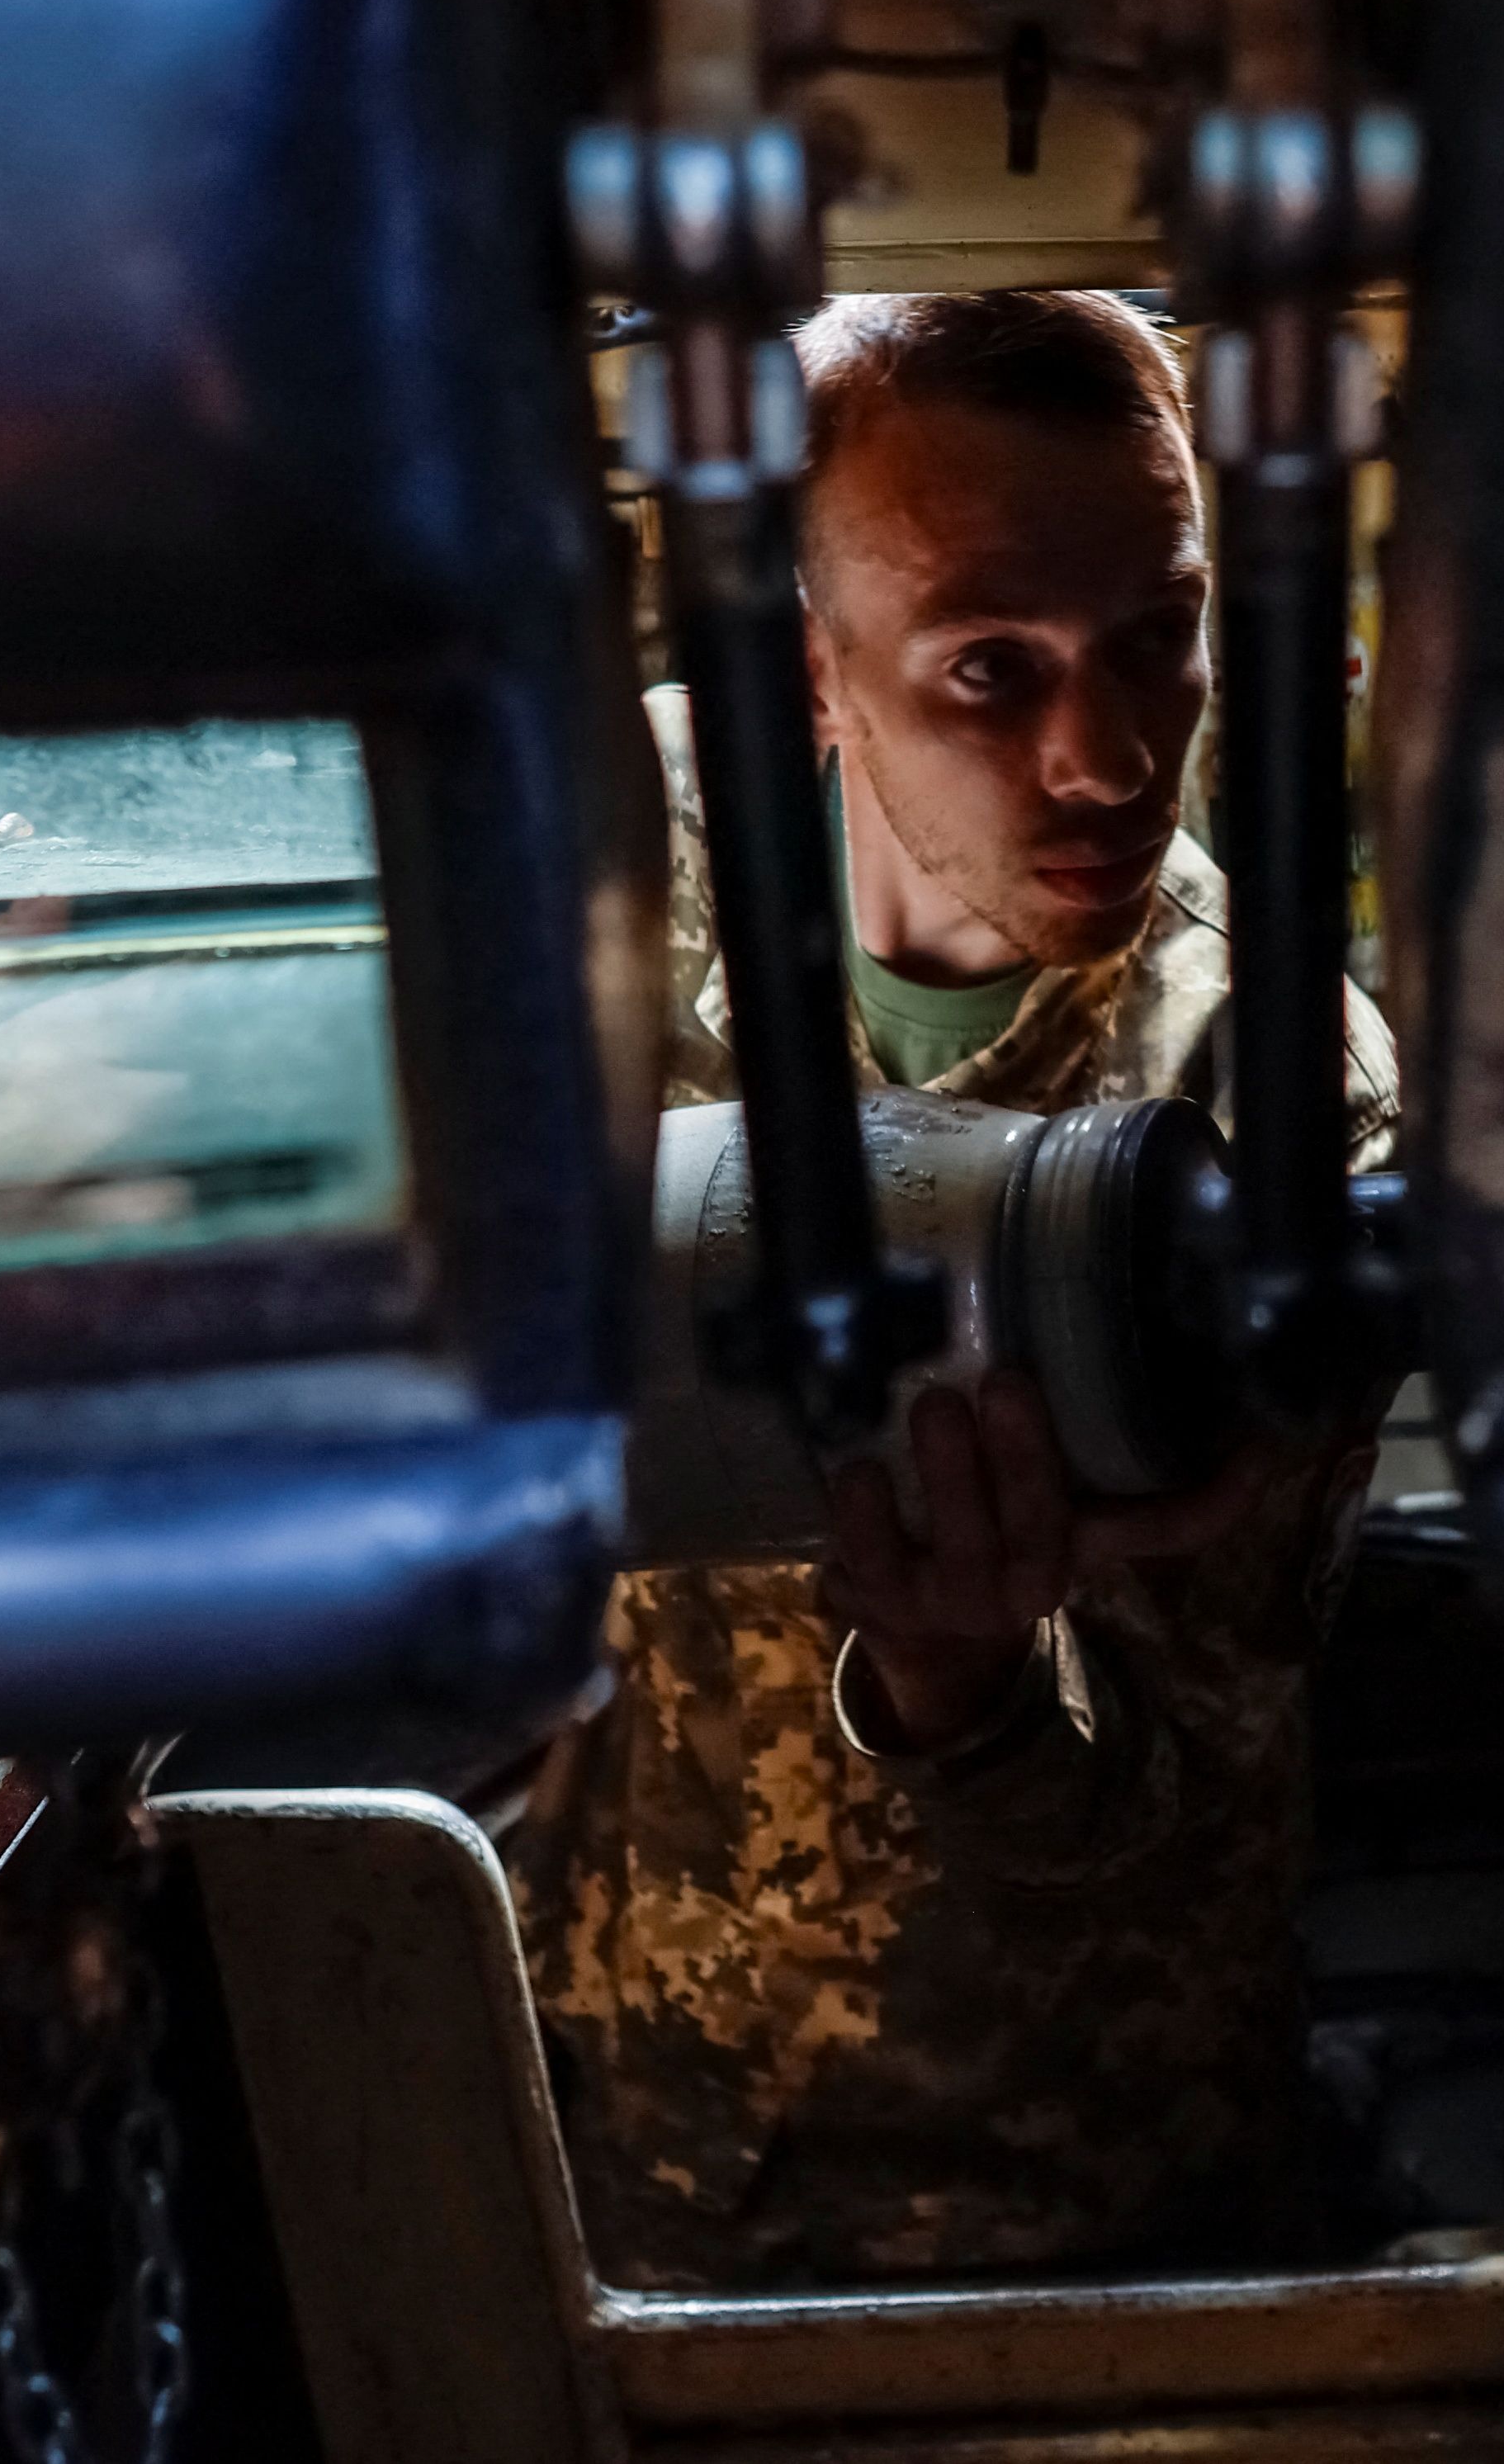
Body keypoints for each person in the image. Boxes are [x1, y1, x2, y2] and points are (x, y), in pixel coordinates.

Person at [511, 286, 1400, 2288]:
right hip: (644, 2120)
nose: (1107, 755)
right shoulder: (609, 879)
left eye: (1157, 637)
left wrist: (966, 1689)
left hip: (1081, 2183)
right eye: (987, 670)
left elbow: (1189, 1775)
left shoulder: (1264, 1103)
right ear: (813, 680)